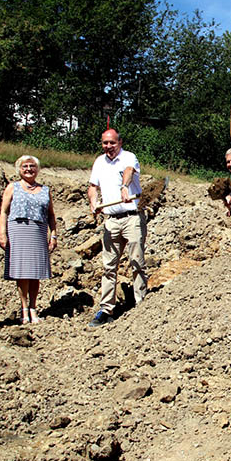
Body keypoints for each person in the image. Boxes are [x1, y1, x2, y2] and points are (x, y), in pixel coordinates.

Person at [87, 129, 147, 327]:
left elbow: (129, 171)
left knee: (136, 261)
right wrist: (93, 203)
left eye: (112, 143)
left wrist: (124, 187)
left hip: (132, 218)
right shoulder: (99, 162)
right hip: (111, 220)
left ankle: (142, 305)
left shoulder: (129, 157)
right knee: (109, 266)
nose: (108, 147)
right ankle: (106, 309)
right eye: (105, 143)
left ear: (119, 142)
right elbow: (92, 186)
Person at [0, 155, 58, 324]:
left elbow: (51, 215)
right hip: (18, 230)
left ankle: (33, 307)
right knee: (22, 272)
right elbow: (4, 211)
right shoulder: (13, 187)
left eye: (32, 166)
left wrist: (53, 235)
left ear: (37, 169)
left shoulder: (45, 190)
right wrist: (2, 233)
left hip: (38, 231)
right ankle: (24, 308)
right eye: (25, 166)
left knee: (35, 272)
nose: (29, 169)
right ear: (19, 169)